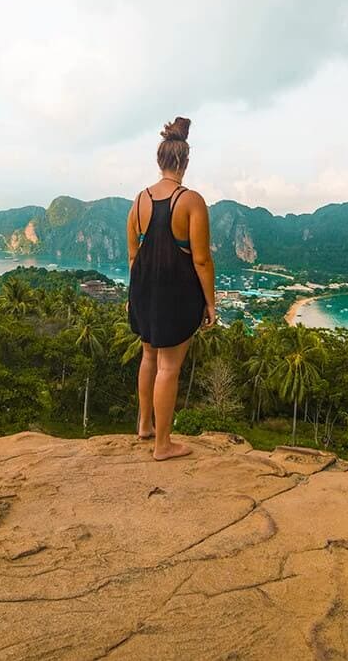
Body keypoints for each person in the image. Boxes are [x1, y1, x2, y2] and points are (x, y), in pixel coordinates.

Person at [126, 116, 217, 461]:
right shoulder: (191, 201)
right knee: (169, 367)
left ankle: (144, 425)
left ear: (160, 160)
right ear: (185, 161)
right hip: (175, 293)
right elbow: (202, 260)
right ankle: (163, 445)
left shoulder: (138, 201)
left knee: (149, 356)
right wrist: (210, 303)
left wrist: (134, 297)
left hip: (144, 290)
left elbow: (134, 254)